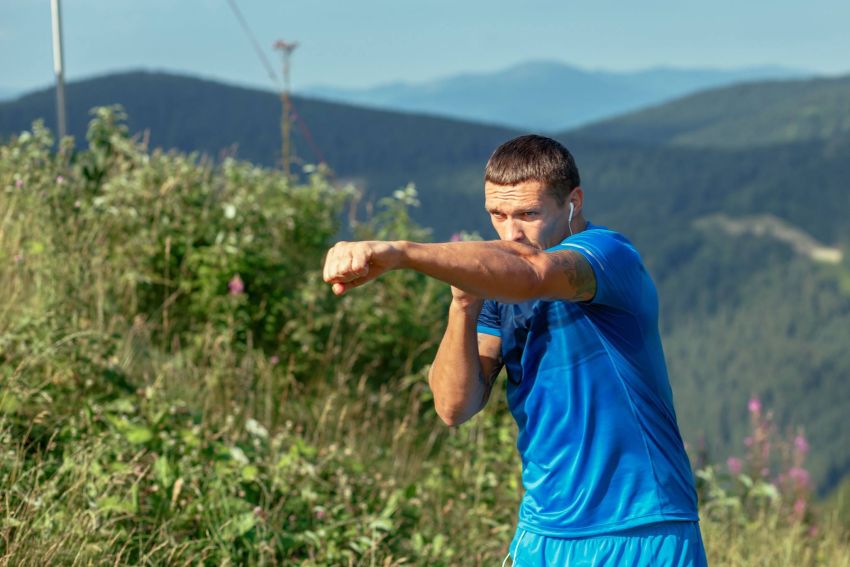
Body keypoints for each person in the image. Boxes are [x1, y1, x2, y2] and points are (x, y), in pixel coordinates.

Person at [323, 135, 707, 566]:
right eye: (497, 215)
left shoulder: (607, 255)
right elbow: (454, 406)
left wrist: (401, 253)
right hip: (542, 531)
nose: (511, 232)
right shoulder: (498, 291)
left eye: (528, 214)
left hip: (639, 528)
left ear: (573, 203)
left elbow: (532, 273)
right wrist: (464, 303)